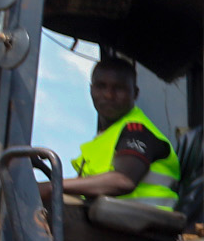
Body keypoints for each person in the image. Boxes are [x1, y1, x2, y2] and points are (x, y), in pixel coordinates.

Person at [61, 55, 179, 205]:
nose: (109, 95)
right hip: (109, 220)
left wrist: (53, 186)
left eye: (119, 88)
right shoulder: (104, 139)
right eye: (101, 86)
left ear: (135, 94)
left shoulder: (138, 130)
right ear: (91, 90)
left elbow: (123, 180)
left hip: (144, 222)